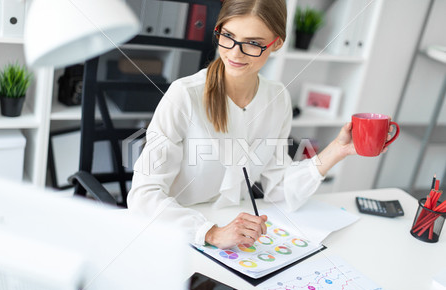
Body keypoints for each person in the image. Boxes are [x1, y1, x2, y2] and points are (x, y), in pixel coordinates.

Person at [127, 0, 384, 249]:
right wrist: (211, 232)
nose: (234, 53)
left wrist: (336, 151)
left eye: (253, 43)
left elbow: (280, 188)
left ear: (277, 43)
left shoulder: (277, 97)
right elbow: (143, 196)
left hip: (234, 230)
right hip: (179, 230)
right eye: (227, 35)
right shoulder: (184, 95)